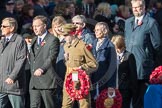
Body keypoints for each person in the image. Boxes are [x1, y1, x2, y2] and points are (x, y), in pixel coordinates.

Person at [125, 0, 161, 107]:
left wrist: (147, 55)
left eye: (139, 7)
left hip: (143, 66)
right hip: (128, 66)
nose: (136, 9)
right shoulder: (128, 22)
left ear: (144, 7)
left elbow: (157, 45)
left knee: (140, 98)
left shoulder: (151, 23)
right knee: (127, 97)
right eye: (134, 7)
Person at [61, 23, 98, 108]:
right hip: (68, 77)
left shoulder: (82, 46)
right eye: (64, 35)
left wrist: (82, 67)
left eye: (66, 35)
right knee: (66, 105)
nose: (64, 37)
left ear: (73, 33)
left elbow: (94, 64)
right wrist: (65, 59)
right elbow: (68, 63)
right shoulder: (66, 46)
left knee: (84, 105)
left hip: (81, 78)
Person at [29, 15, 60, 108]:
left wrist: (42, 69)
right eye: (33, 26)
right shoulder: (34, 39)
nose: (34, 28)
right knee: (34, 105)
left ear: (44, 26)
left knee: (49, 105)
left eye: (37, 26)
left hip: (46, 80)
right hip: (34, 81)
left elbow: (52, 57)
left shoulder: (53, 39)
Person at [0, 17, 27, 108]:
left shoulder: (19, 40)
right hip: (2, 85)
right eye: (1, 26)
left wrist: (12, 76)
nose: (1, 28)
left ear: (11, 28)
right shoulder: (2, 41)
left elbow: (21, 60)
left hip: (14, 86)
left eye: (4, 26)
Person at [90, 22, 117, 108]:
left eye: (98, 30)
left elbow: (112, 67)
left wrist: (111, 86)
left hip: (104, 80)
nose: (95, 32)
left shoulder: (110, 46)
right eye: (95, 30)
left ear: (105, 31)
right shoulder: (93, 43)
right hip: (93, 79)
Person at [111, 35, 138, 108]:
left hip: (125, 89)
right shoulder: (111, 56)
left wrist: (133, 90)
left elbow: (133, 74)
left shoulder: (129, 56)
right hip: (113, 88)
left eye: (115, 46)